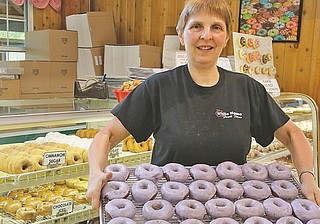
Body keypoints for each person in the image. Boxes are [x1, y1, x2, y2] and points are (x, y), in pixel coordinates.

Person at [86, 0, 320, 210]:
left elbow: (291, 134)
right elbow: (106, 135)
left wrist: (307, 176)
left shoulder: (246, 89)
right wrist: (95, 172)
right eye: (196, 26)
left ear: (226, 37)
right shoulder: (158, 87)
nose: (206, 35)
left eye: (216, 27)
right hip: (166, 212)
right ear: (181, 34)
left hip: (233, 211)